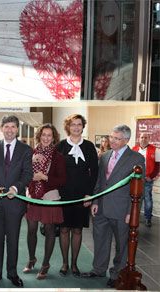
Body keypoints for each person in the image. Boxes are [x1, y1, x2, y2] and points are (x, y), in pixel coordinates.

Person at [82, 125, 145, 288]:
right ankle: (98, 269)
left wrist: (133, 211)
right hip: (101, 207)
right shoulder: (105, 156)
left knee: (122, 245)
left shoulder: (136, 158)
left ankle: (117, 274)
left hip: (122, 210)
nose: (112, 141)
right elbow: (100, 180)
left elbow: (139, 188)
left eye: (116, 138)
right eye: (111, 137)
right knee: (100, 241)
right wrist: (95, 201)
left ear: (126, 140)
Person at [0, 115, 33, 288]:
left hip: (15, 203)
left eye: (13, 127)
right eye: (7, 126)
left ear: (17, 129)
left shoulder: (26, 149)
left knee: (13, 240)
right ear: (1, 128)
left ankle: (12, 273)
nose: (10, 130)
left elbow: (27, 174)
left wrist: (16, 188)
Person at [56, 114, 98, 277]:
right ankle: (65, 263)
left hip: (82, 194)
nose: (76, 127)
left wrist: (90, 194)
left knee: (78, 230)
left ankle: (74, 263)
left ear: (82, 126)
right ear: (68, 127)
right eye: (73, 124)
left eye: (79, 124)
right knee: (64, 229)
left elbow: (94, 173)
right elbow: (55, 171)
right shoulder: (60, 146)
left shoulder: (89, 146)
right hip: (64, 194)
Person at [23, 124, 67, 279]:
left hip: (50, 195)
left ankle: (45, 263)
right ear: (39, 136)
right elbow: (24, 174)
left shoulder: (58, 157)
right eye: (44, 135)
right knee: (31, 229)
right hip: (33, 195)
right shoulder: (31, 153)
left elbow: (62, 180)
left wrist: (45, 177)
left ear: (54, 138)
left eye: (49, 135)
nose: (46, 138)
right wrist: (31, 170)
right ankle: (31, 258)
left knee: (49, 231)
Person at [132, 132, 160, 227]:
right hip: (135, 180)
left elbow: (157, 166)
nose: (143, 139)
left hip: (147, 180)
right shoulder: (134, 149)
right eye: (142, 137)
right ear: (139, 139)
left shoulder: (155, 150)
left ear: (149, 139)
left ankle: (147, 218)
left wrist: (151, 177)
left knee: (147, 199)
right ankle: (135, 217)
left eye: (145, 138)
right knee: (134, 199)